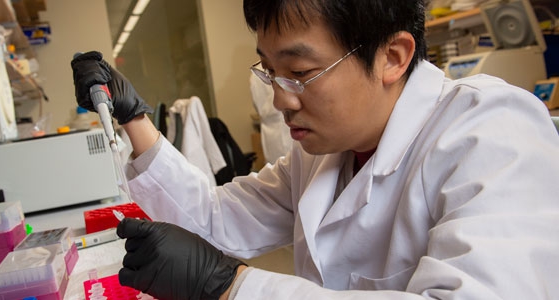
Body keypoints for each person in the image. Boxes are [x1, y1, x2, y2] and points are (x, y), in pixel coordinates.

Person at [71, 0, 559, 299]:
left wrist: (232, 287)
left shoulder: (491, 133)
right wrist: (133, 118)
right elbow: (216, 218)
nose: (281, 98)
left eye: (301, 73)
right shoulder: (321, 153)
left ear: (393, 57)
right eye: (268, 69)